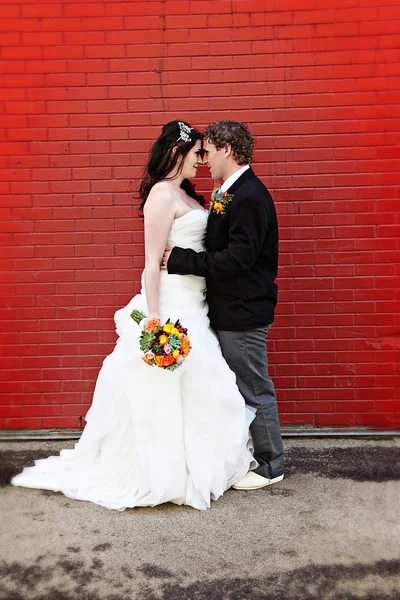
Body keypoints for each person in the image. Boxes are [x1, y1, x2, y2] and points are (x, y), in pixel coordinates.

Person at [11, 120, 255, 511]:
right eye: (196, 154)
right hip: (173, 306)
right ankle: (165, 469)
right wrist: (154, 318)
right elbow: (150, 264)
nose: (201, 161)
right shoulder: (161, 195)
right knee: (170, 387)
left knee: (203, 385)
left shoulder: (187, 193)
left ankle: (197, 463)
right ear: (178, 153)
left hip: (197, 303)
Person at [162, 120, 284, 490]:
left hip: (243, 313)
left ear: (227, 150)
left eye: (209, 151)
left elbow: (237, 260)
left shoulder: (248, 196)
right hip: (229, 310)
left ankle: (270, 465)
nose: (205, 159)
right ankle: (253, 455)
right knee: (240, 386)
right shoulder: (231, 190)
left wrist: (181, 260)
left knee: (253, 386)